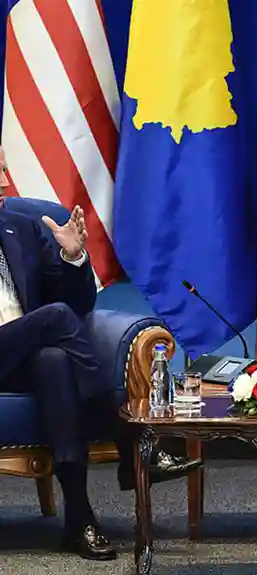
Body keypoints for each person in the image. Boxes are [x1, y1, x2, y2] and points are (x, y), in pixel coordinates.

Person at [0, 147, 200, 560]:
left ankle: (79, 517)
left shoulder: (20, 227)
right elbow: (58, 315)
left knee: (55, 360)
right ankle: (127, 430)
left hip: (21, 354)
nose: (5, 180)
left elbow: (78, 306)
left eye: (3, 168)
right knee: (55, 318)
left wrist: (72, 257)